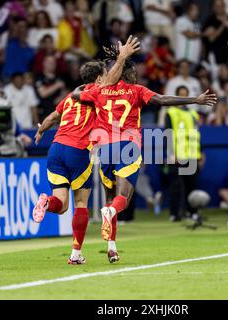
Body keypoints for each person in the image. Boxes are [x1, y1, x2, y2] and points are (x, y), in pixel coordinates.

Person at [72, 51, 217, 263]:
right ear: (127, 75)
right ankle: (110, 213)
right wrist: (194, 99)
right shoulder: (136, 90)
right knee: (123, 199)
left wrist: (89, 85)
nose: (136, 76)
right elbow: (161, 99)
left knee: (110, 198)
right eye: (134, 73)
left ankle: (112, 248)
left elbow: (75, 95)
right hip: (127, 147)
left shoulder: (99, 91)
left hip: (103, 148)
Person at [32, 36, 141, 265]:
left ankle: (46, 201)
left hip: (55, 149)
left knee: (60, 205)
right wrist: (121, 57)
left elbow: (52, 116)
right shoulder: (98, 93)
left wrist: (41, 131)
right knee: (81, 204)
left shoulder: (71, 96)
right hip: (78, 150)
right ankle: (75, 253)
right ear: (100, 77)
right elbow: (110, 84)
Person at [165, 85, 204, 222]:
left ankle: (191, 212)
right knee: (176, 187)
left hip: (192, 155)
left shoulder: (193, 114)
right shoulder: (171, 112)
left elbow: (196, 135)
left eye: (185, 95)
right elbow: (168, 134)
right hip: (177, 155)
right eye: (180, 95)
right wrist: (170, 153)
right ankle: (174, 214)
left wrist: (200, 153)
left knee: (191, 186)